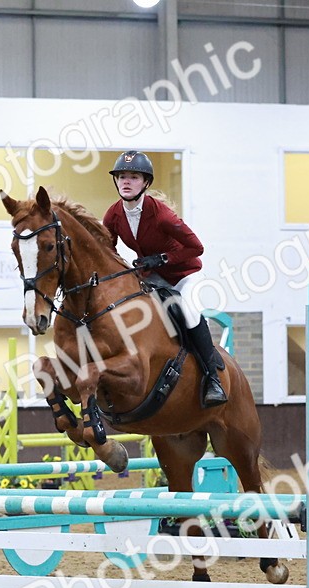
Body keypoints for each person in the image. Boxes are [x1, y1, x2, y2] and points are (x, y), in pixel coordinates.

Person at [102, 150, 226, 407]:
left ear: (145, 182)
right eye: (122, 176)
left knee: (188, 311)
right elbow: (106, 249)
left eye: (134, 177)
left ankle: (212, 379)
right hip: (153, 277)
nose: (126, 181)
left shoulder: (161, 214)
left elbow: (196, 248)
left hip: (184, 274)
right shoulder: (113, 214)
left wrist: (161, 259)